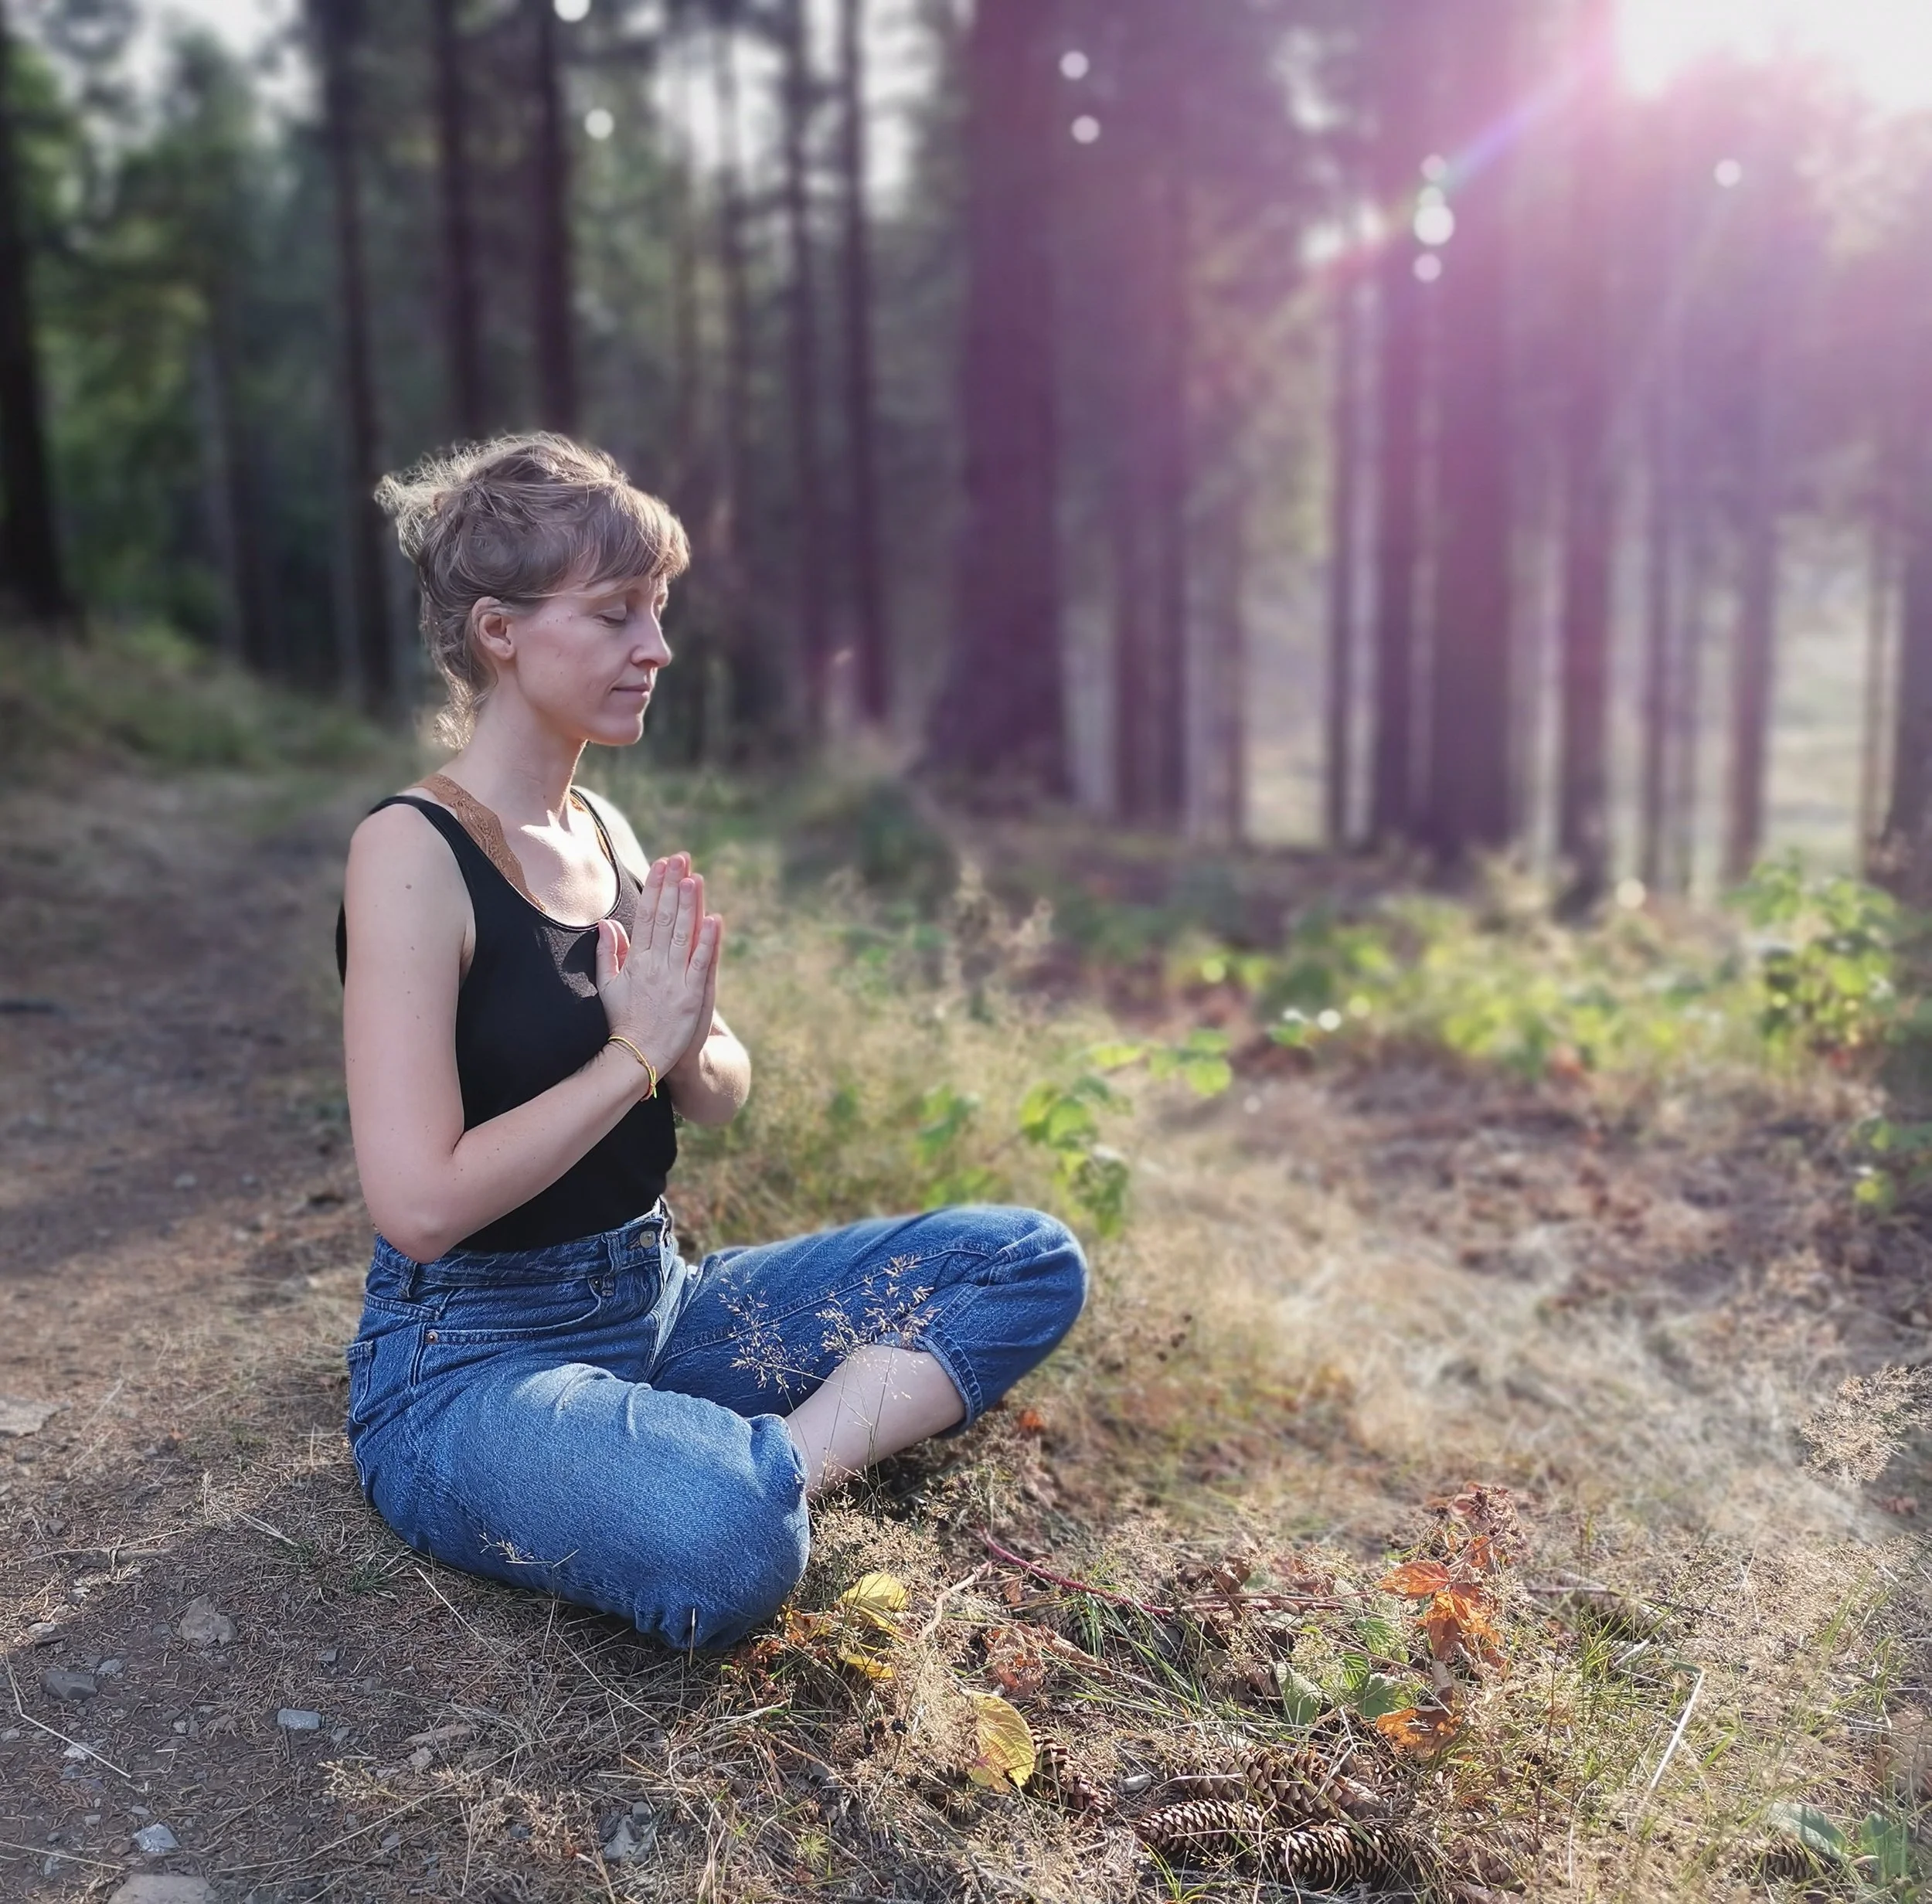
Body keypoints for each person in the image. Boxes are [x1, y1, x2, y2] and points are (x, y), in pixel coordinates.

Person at [335, 434, 1086, 1649]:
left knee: (1026, 1260)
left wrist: (682, 1037)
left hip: (659, 1302)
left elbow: (721, 1091)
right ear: (499, 631)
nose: (657, 648)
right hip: (469, 1364)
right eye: (616, 613)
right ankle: (727, 1483)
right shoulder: (411, 853)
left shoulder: (606, 829)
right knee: (730, 1541)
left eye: (659, 609)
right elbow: (418, 1206)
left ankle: (773, 1459)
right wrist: (630, 1055)